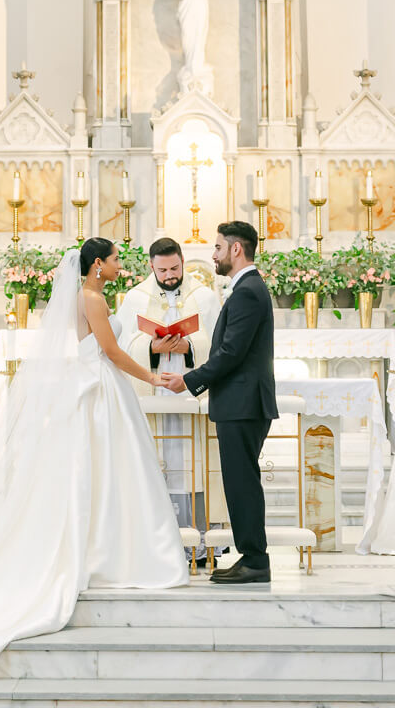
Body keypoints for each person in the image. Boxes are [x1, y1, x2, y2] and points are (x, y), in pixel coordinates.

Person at [0, 239, 188, 681]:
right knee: (111, 474)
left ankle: (105, 547)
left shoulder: (89, 295)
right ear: (98, 264)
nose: (119, 265)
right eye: (114, 259)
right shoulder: (92, 297)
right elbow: (111, 352)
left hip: (96, 386)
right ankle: (109, 553)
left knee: (106, 475)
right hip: (100, 391)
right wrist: (153, 377)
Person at [161, 221, 277, 584]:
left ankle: (256, 560)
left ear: (235, 249)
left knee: (242, 482)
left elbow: (231, 352)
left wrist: (189, 380)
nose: (212, 255)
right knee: (241, 480)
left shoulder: (247, 291)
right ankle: (252, 555)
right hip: (240, 402)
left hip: (243, 404)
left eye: (217, 248)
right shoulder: (248, 288)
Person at [115, 237, 225, 560]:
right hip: (154, 396)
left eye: (174, 268)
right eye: (162, 270)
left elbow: (220, 346)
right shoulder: (135, 298)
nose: (169, 275)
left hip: (191, 396)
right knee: (156, 466)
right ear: (151, 266)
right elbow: (119, 348)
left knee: (195, 467)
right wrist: (151, 348)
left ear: (182, 261)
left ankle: (201, 547)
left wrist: (189, 347)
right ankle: (158, 547)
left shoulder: (204, 297)